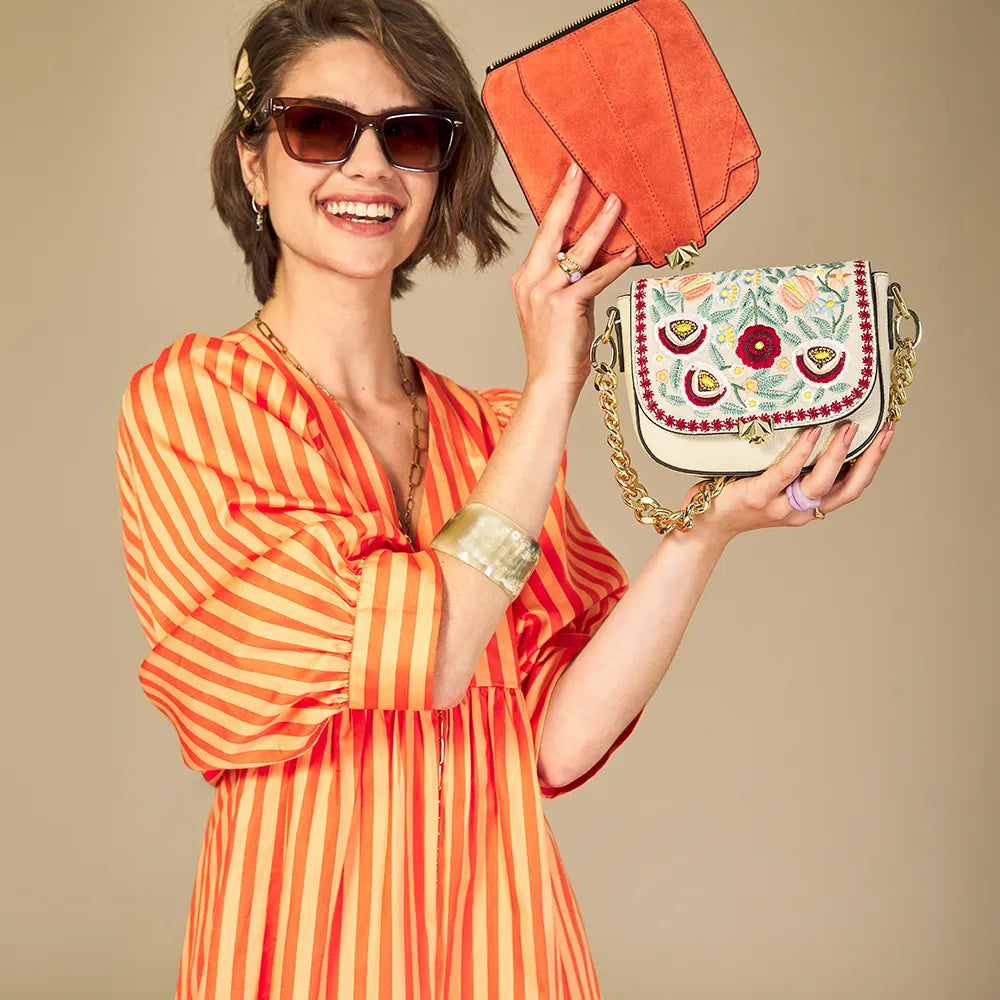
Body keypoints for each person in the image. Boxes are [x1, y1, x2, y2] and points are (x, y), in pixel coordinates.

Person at [114, 1, 895, 996]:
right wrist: (555, 381)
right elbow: (433, 652)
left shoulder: (492, 436)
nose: (368, 167)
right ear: (254, 164)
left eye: (409, 136)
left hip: (506, 948)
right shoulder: (196, 404)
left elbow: (555, 741)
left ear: (440, 176)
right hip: (304, 952)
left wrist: (703, 534)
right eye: (319, 127)